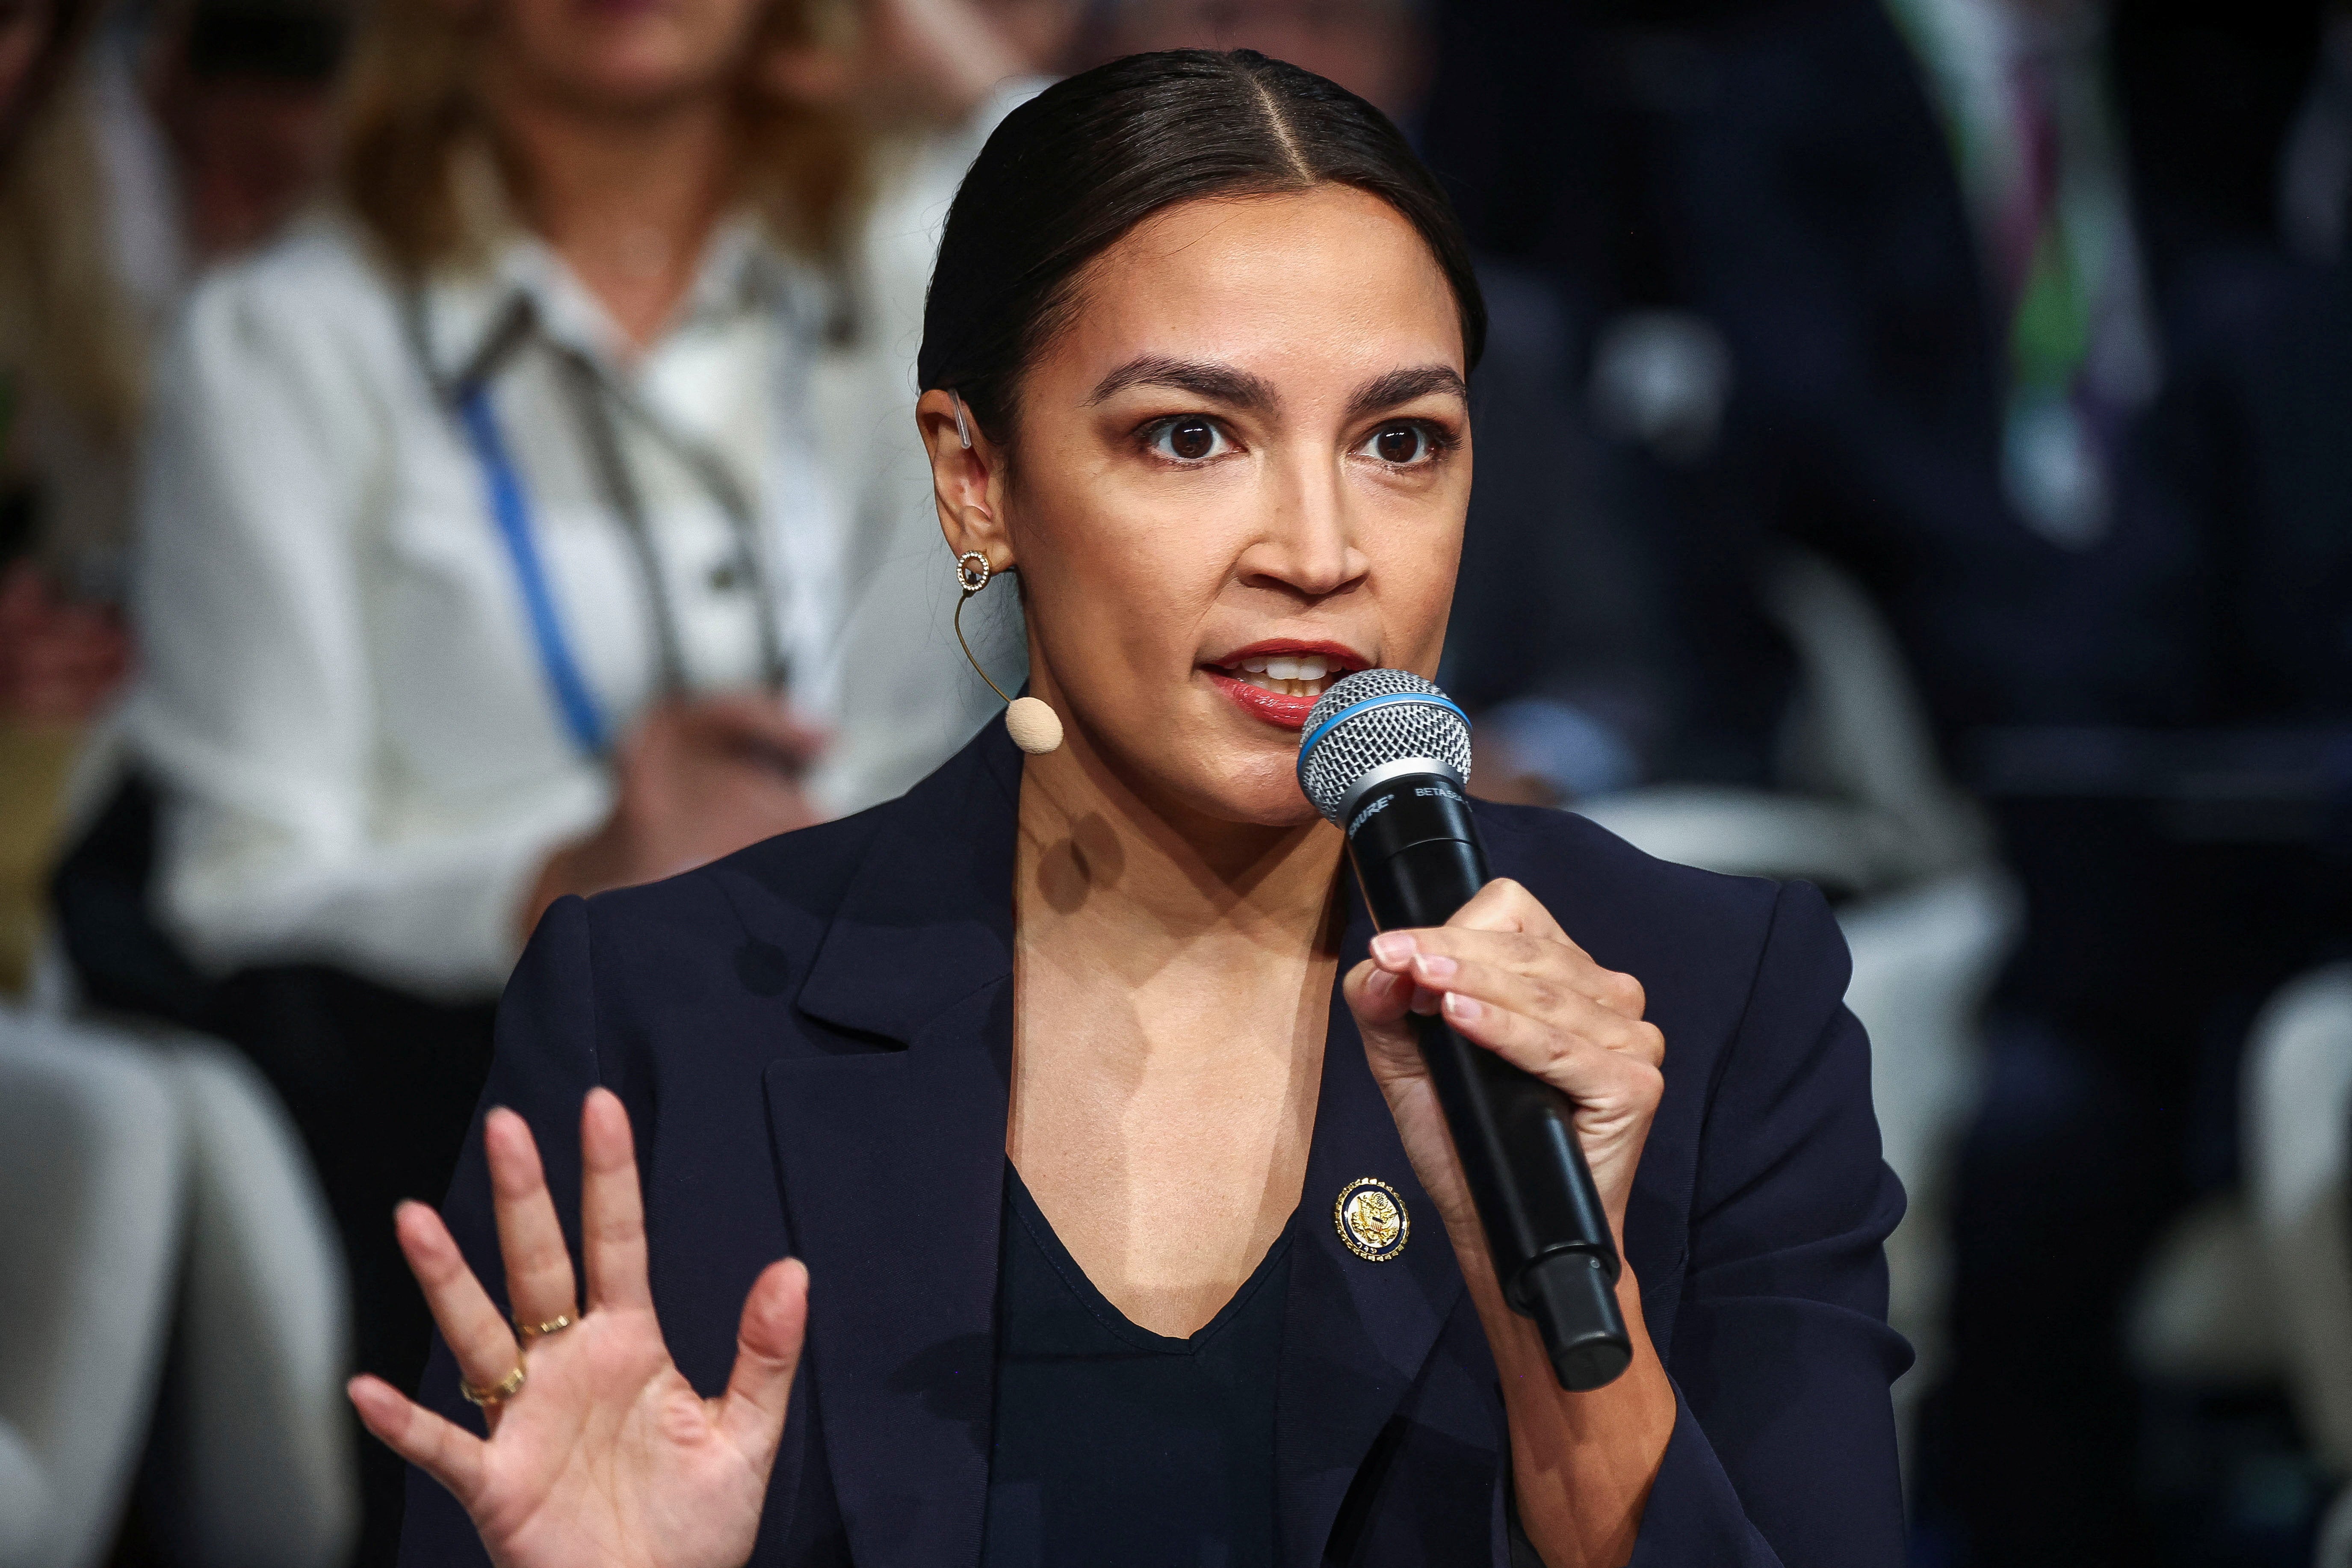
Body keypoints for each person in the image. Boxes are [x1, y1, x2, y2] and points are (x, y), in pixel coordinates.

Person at [358, 50, 1911, 1567]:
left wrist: (1564, 1320)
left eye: (1399, 443)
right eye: (1190, 435)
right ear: (977, 478)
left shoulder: (1705, 997)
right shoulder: (669, 1007)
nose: (1318, 548)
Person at [93, 0, 1039, 1555]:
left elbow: (1153, 210)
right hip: (504, 1100)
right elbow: (232, 882)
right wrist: (563, 870)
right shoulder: (288, 334)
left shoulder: (907, 254)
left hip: (948, 1051)